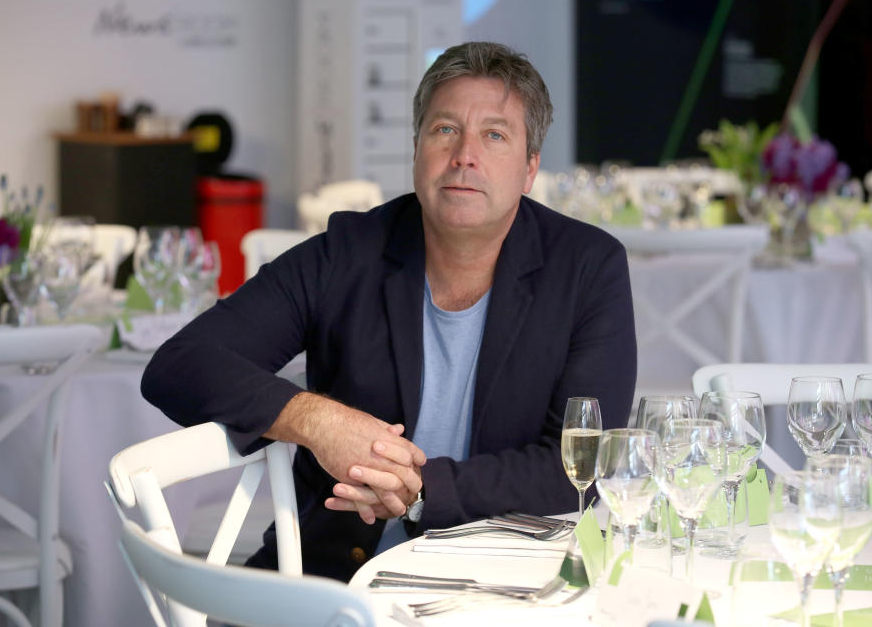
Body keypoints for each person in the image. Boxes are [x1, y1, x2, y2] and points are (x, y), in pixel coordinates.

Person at [141, 41, 636, 582]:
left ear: (529, 168)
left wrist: (422, 489)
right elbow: (180, 363)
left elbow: (580, 469)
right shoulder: (348, 251)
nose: (464, 154)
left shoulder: (588, 267)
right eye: (445, 129)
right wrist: (317, 420)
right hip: (330, 583)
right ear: (417, 148)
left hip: (506, 584)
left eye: (494, 135)